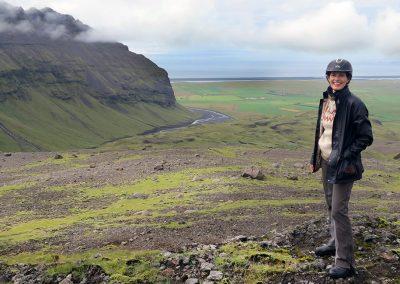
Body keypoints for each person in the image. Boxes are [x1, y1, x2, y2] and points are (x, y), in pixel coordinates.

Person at [309, 59, 373, 279]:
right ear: (328, 77)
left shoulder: (355, 104)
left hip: (344, 166)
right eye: (332, 74)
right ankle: (335, 242)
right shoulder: (327, 100)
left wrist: (343, 156)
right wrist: (315, 158)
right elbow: (322, 132)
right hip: (327, 161)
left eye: (341, 75)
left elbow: (366, 137)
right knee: (330, 205)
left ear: (348, 79)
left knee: (338, 210)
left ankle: (345, 262)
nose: (336, 78)